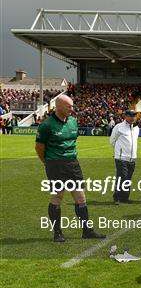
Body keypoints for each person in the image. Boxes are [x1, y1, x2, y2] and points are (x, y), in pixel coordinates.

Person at [35, 95, 106, 242]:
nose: (72, 109)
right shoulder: (47, 125)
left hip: (72, 164)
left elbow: (73, 142)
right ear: (59, 106)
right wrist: (48, 162)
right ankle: (58, 233)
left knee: (80, 197)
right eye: (69, 106)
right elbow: (39, 148)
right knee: (57, 197)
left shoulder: (73, 122)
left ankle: (87, 231)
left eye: (72, 106)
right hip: (55, 165)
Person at [109, 110, 139, 204]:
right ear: (125, 116)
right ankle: (117, 198)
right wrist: (119, 152)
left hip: (132, 157)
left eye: (134, 115)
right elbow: (112, 141)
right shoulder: (119, 127)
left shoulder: (136, 128)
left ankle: (125, 198)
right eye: (130, 115)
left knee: (128, 179)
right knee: (122, 178)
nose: (132, 117)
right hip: (121, 158)